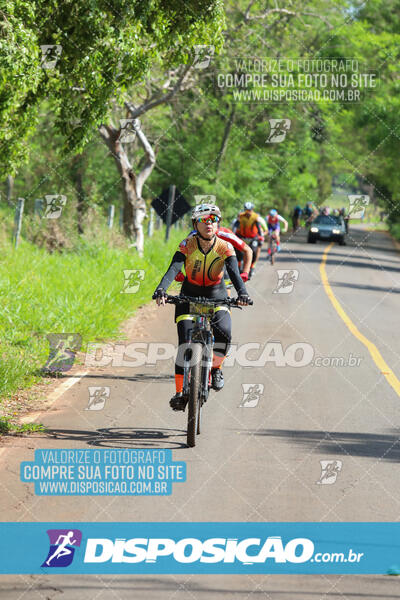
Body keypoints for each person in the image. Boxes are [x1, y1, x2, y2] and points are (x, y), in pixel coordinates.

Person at [153, 203, 252, 411]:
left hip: (217, 295)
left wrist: (242, 293)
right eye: (204, 220)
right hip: (188, 296)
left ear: (218, 223)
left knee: (224, 333)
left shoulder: (225, 247)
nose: (209, 224)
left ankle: (216, 368)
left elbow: (234, 273)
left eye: (213, 220)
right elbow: (173, 269)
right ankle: (180, 393)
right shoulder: (186, 245)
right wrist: (161, 289)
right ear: (195, 224)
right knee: (184, 344)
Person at [232, 202, 264, 278]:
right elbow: (235, 226)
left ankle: (252, 267)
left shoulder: (255, 217)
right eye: (246, 210)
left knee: (254, 251)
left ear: (252, 210)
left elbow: (258, 227)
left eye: (250, 210)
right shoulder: (241, 216)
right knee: (237, 250)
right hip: (242, 237)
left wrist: (261, 236)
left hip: (253, 237)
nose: (248, 211)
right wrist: (233, 234)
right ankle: (239, 266)